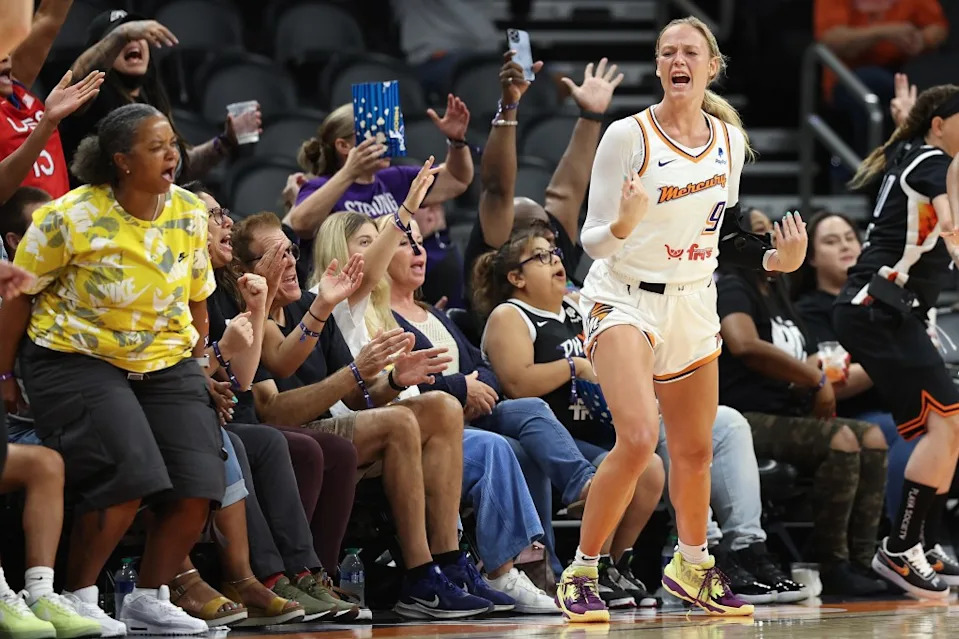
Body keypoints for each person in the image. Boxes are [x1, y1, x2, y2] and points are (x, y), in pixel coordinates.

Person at [562, 16, 807, 622]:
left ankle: (693, 565)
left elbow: (723, 230)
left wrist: (775, 259)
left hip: (693, 299)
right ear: (658, 66)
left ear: (711, 67)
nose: (678, 60)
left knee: (696, 450)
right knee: (639, 437)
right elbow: (591, 238)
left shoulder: (728, 141)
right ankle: (581, 570)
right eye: (668, 51)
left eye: (690, 52)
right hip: (623, 297)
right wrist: (623, 224)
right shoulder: (627, 136)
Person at [474, 225, 807, 605]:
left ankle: (615, 564)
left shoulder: (578, 304)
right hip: (558, 432)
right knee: (635, 451)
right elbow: (517, 383)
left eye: (555, 253)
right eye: (540, 256)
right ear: (516, 277)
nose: (554, 261)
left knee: (672, 454)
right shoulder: (511, 315)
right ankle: (589, 549)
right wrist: (574, 366)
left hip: (601, 425)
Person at [0, 103, 224, 636]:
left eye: (172, 144)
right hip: (74, 356)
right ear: (121, 160)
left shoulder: (190, 213)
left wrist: (199, 366)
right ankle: (78, 596)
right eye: (156, 147)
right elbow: (18, 297)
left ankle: (147, 598)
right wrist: (5, 376)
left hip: (165, 359)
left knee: (199, 482)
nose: (171, 155)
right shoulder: (67, 218)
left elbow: (197, 299)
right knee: (129, 472)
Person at [231, 212, 496, 620]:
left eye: (290, 251)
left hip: (330, 427)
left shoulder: (307, 306)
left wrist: (393, 379)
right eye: (274, 255)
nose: (288, 262)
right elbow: (273, 411)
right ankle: (419, 574)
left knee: (442, 407)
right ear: (247, 270)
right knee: (398, 422)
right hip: (289, 435)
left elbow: (357, 397)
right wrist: (354, 373)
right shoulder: (255, 319)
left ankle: (449, 559)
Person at [310, 207, 559, 614]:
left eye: (382, 241)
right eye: (368, 243)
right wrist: (408, 207)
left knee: (525, 418)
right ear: (339, 251)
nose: (387, 250)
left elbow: (470, 366)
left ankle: (458, 563)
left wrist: (445, 387)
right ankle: (494, 571)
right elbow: (373, 392)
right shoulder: (339, 302)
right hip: (370, 426)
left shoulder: (387, 309)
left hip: (421, 416)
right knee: (493, 444)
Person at [189, 181, 362, 620]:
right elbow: (269, 372)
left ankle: (309, 574)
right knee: (274, 443)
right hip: (203, 416)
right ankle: (267, 576)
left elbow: (242, 378)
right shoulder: (203, 287)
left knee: (329, 449)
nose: (224, 221)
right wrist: (214, 366)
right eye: (212, 215)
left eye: (223, 212)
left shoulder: (231, 288)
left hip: (225, 412)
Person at [715, 212, 888, 596]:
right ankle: (831, 562)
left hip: (786, 409)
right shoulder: (732, 286)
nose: (768, 238)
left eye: (771, 231)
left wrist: (815, 376)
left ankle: (863, 560)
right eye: (757, 233)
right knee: (842, 440)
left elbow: (807, 357)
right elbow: (743, 344)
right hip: (743, 417)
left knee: (873, 436)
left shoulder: (778, 291)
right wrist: (815, 379)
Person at [834, 84, 959, 599]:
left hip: (887, 310)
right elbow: (947, 217)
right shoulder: (934, 163)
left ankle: (923, 542)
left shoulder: (913, 152)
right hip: (878, 308)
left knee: (948, 428)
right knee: (949, 422)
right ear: (940, 126)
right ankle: (901, 547)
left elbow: (911, 147)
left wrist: (906, 117)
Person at [463, 53, 623, 306]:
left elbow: (566, 193)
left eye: (548, 229)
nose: (549, 234)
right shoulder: (500, 275)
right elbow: (497, 188)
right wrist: (509, 106)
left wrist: (591, 116)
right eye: (535, 227)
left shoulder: (554, 253)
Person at [283, 96, 473, 282]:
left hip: (392, 286)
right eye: (375, 135)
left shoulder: (394, 178)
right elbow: (299, 224)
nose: (386, 142)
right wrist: (349, 172)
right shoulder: (320, 186)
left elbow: (457, 179)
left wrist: (456, 141)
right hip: (348, 287)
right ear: (343, 145)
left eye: (387, 134)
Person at [61, 9, 258, 181]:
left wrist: (225, 141)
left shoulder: (151, 100)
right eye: (123, 38)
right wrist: (121, 34)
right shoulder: (94, 97)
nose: (132, 40)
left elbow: (180, 169)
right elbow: (76, 85)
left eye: (138, 34)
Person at [0, 1, 104, 203]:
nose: (5, 56)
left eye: (7, 49)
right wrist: (47, 122)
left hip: (56, 217)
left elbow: (49, 18)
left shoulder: (18, 90)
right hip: (15, 222)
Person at [814, 0, 948, 154]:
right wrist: (885, 33)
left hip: (902, 71)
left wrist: (921, 39)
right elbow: (830, 38)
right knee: (875, 83)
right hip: (847, 76)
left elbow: (938, 27)